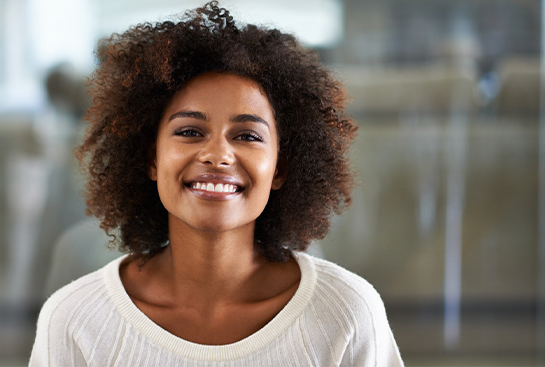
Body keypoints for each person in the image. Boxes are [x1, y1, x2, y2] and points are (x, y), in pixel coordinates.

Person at [29, 2, 404, 366]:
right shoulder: (75, 320)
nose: (218, 154)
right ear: (151, 159)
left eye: (247, 136)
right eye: (190, 131)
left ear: (280, 169)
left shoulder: (347, 314)